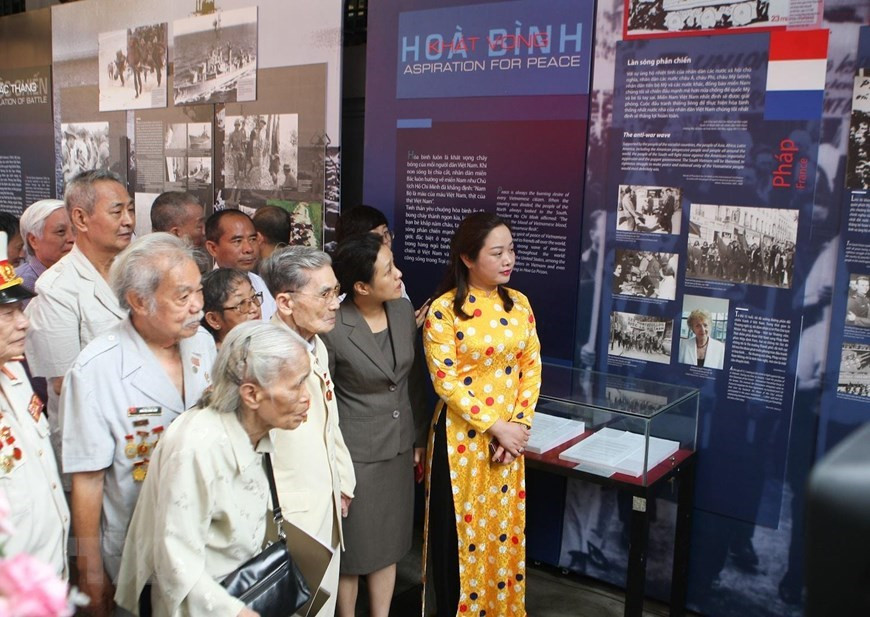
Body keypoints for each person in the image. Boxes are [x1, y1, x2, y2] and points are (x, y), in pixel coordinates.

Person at [61, 233, 216, 616]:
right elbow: (88, 479)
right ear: (138, 301)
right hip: (138, 545)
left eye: (198, 291)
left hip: (205, 538)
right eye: (182, 297)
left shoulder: (203, 345)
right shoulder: (98, 368)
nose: (197, 306)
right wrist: (89, 570)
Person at [115, 321, 310, 617]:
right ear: (251, 394)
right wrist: (237, 613)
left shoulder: (254, 430)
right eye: (296, 385)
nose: (307, 396)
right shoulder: (197, 445)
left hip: (237, 589)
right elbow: (174, 561)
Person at [422, 212, 542, 617]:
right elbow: (446, 382)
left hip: (508, 445)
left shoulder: (520, 305)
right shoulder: (444, 311)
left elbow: (531, 367)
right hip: (461, 443)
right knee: (462, 537)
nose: (509, 259)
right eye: (497, 252)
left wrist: (519, 428)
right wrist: (497, 427)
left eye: (510, 249)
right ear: (467, 258)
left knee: (503, 535)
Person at [321, 233, 428, 617]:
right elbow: (325, 398)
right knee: (355, 548)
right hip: (357, 454)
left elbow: (412, 381)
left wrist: (417, 437)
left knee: (389, 542)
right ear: (361, 286)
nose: (399, 274)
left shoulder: (400, 310)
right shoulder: (333, 327)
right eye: (389, 270)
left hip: (398, 449)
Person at [259, 245, 356, 617]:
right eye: (324, 294)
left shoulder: (315, 344)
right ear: (284, 302)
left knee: (320, 605)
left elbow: (329, 420)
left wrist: (342, 482)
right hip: (287, 514)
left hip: (324, 503)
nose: (334, 304)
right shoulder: (265, 356)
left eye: (336, 292)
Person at [25, 169, 134, 497]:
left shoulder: (138, 270)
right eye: (117, 211)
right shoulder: (56, 288)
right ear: (81, 219)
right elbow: (65, 382)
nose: (128, 220)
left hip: (143, 435)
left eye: (130, 209)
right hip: (93, 444)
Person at [0, 232, 69, 578]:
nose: (23, 321)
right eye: (7, 314)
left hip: (45, 576)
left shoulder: (13, 370)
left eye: (19, 309)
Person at [335, 204, 430, 325]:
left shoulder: (397, 286)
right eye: (375, 237)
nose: (385, 240)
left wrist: (409, 328)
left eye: (386, 233)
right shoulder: (337, 304)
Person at [205, 209, 277, 320]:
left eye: (252, 239)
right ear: (213, 248)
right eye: (237, 241)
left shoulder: (262, 284)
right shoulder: (204, 295)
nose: (248, 249)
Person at [16, 199, 75, 300]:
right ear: (33, 240)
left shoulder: (78, 273)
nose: (72, 239)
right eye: (61, 231)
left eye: (75, 230)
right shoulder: (21, 285)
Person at [201, 268, 263, 347]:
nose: (254, 308)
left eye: (254, 297)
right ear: (214, 319)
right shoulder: (212, 357)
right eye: (242, 304)